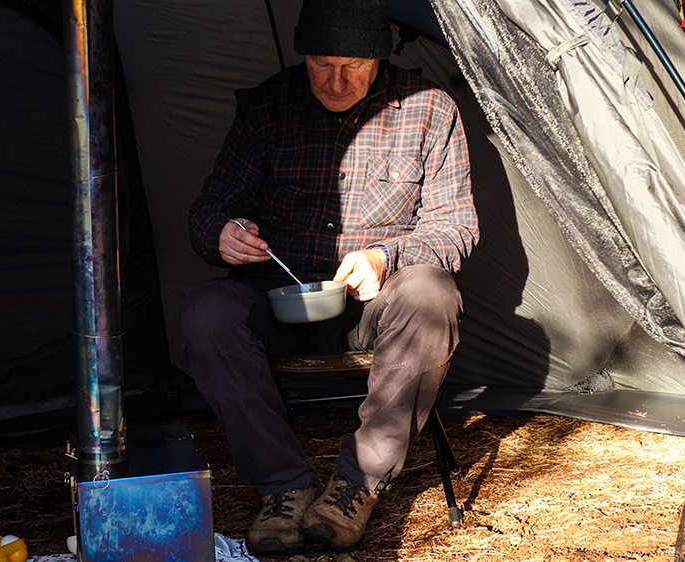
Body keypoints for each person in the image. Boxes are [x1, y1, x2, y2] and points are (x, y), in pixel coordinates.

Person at [179, 0, 479, 554]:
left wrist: (385, 257)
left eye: (353, 67)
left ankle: (357, 484)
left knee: (432, 293)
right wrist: (222, 230)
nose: (337, 82)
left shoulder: (430, 109)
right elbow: (210, 206)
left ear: (379, 58)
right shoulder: (269, 106)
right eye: (321, 64)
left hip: (377, 302)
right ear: (302, 54)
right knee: (207, 315)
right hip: (278, 298)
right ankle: (283, 487)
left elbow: (456, 228)